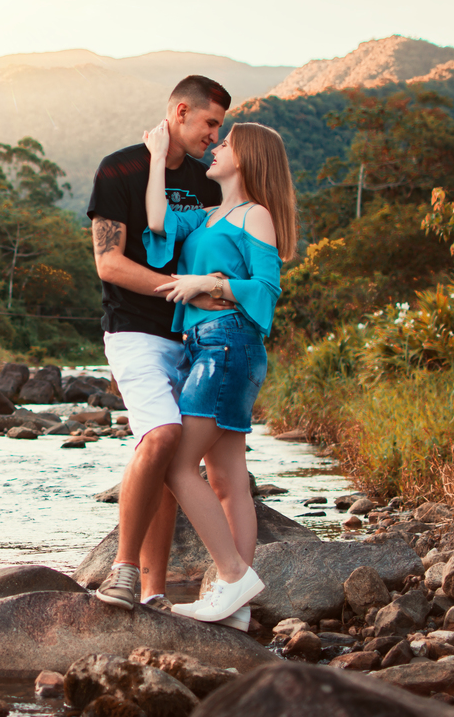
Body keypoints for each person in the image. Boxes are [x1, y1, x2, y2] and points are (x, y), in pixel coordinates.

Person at [140, 119, 298, 625]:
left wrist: (209, 283)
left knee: (176, 465)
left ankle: (232, 576)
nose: (216, 146)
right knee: (228, 478)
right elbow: (158, 218)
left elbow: (267, 289)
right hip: (210, 346)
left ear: (246, 157)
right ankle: (238, 607)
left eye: (225, 142)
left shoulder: (257, 216)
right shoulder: (206, 215)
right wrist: (156, 155)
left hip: (228, 345)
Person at [88, 75, 233, 612]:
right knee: (162, 435)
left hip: (197, 337)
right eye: (209, 123)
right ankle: (122, 571)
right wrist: (180, 288)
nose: (215, 137)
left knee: (175, 461)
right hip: (135, 331)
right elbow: (109, 262)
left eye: (221, 126)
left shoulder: (211, 179)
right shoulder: (120, 168)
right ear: (179, 112)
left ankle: (153, 593)